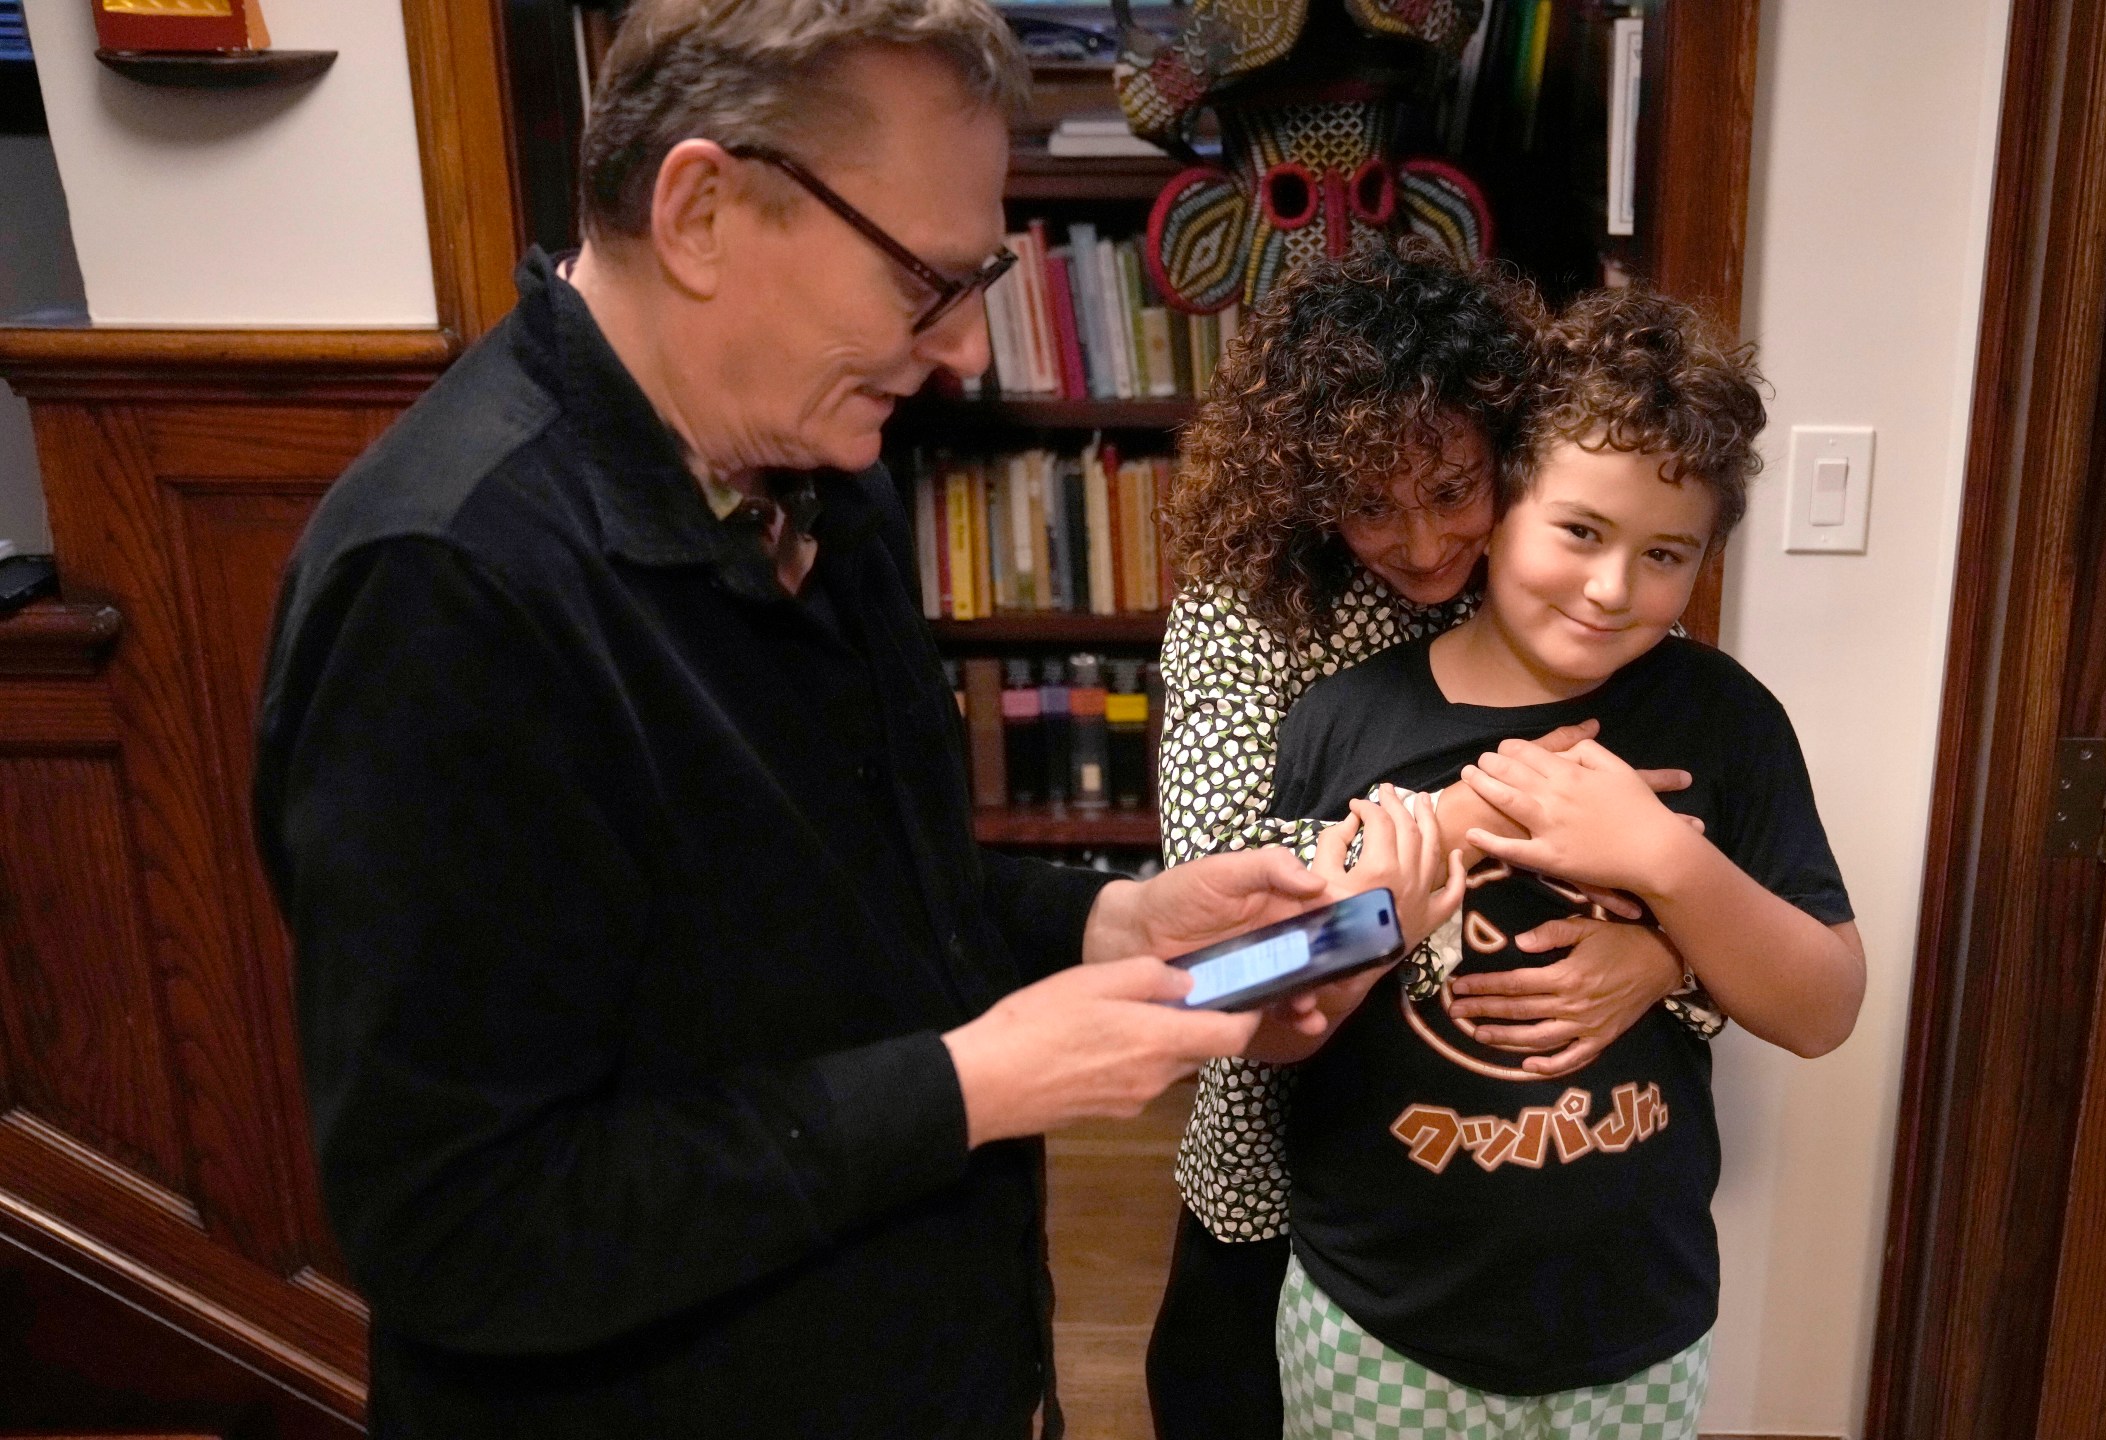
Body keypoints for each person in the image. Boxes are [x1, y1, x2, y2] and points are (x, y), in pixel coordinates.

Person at [249, 2, 1429, 1435]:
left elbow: (846, 899)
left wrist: (1110, 927)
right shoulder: (444, 590)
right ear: (702, 210)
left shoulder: (817, 466)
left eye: (983, 276)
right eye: (928, 283)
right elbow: (464, 1227)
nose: (970, 353)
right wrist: (969, 1087)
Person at [1265, 288, 1868, 1438]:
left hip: (1630, 1326)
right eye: (1579, 532)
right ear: (1499, 508)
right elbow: (1253, 1011)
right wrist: (1411, 868)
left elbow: (1823, 1008)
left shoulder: (1723, 721)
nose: (1610, 589)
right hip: (1377, 1320)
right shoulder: (1344, 722)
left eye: (1664, 555)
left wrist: (1665, 873)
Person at [1147, 246, 1722, 1437]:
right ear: (1304, 486)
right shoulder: (1244, 608)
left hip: (1517, 1186)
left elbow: (1695, 848)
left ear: (1509, 458)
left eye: (1452, 492)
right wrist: (1471, 815)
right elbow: (1219, 945)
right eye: (1366, 503)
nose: (1415, 544)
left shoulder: (1549, 585)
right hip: (1285, 1167)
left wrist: (1675, 961)